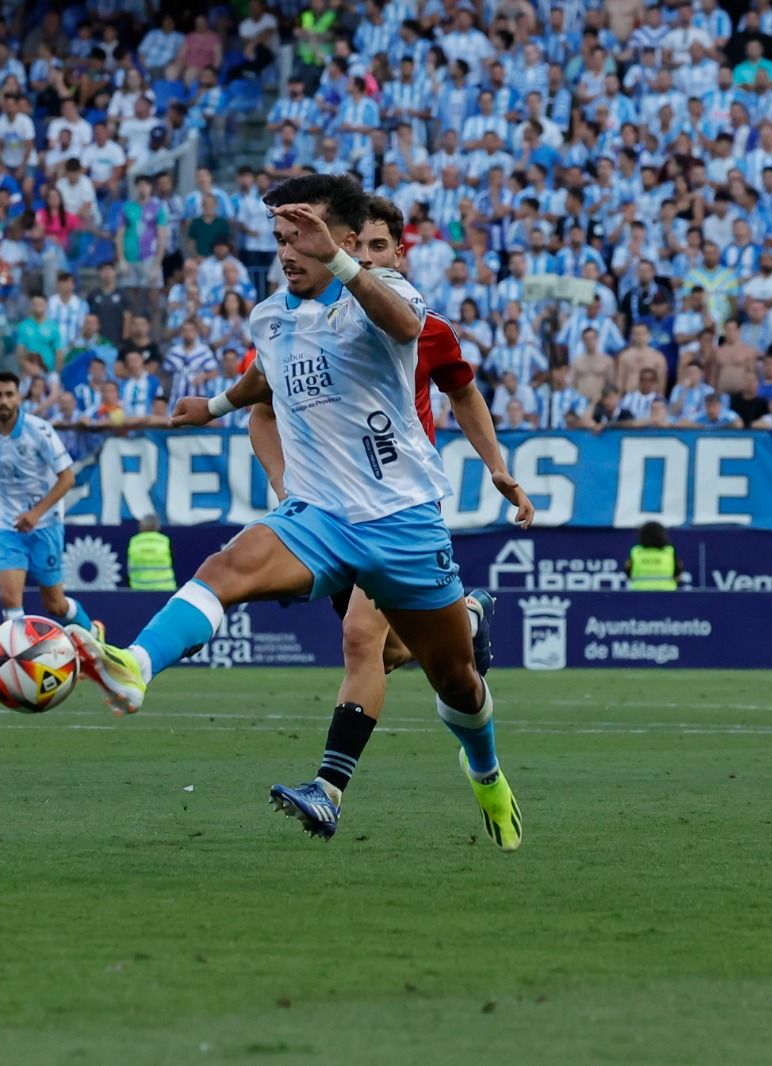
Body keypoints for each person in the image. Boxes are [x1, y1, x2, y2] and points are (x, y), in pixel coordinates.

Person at [71, 174, 522, 851]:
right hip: (320, 517)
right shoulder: (272, 316)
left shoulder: (389, 292)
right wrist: (213, 406)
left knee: (456, 680)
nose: (287, 252)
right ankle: (134, 667)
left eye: (301, 239)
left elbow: (405, 327)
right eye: (280, 239)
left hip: (401, 518)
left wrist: (341, 262)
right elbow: (265, 377)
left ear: (342, 243)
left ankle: (485, 771)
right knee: (229, 565)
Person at [198, 192, 535, 841]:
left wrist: (495, 465)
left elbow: (463, 390)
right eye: (363, 248)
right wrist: (286, 487)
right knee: (388, 650)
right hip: (328, 508)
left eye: (381, 248)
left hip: (397, 503)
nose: (368, 258)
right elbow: (259, 407)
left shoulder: (418, 321)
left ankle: (328, 789)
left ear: (396, 253)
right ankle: (467, 617)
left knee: (360, 639)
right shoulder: (299, 326)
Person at [0, 371, 97, 633]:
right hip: (8, 526)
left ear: (19, 398)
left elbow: (67, 478)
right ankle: (19, 665)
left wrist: (36, 513)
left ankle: (92, 634)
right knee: (9, 599)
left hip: (45, 524)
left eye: (9, 395)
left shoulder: (39, 430)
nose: (4, 401)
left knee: (55, 604)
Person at [127, 513, 177, 590]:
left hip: (139, 588)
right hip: (165, 588)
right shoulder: (165, 541)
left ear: (141, 526)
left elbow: (129, 567)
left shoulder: (134, 542)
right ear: (157, 526)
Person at [626, 522, 680, 590]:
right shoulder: (669, 552)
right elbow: (677, 574)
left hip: (639, 594)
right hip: (667, 593)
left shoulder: (636, 552)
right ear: (663, 535)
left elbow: (628, 574)